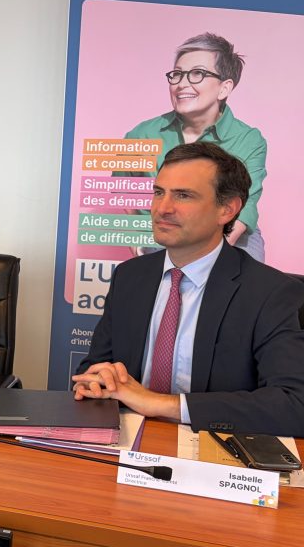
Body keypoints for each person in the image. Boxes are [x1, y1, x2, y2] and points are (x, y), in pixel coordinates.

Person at [73, 142, 304, 436]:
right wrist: (96, 380)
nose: (162, 208)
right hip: (126, 446)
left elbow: (294, 404)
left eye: (183, 195)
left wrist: (158, 404)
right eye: (159, 192)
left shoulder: (269, 292)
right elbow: (96, 365)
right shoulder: (130, 276)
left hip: (214, 453)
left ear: (227, 209)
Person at [123, 33, 267, 261]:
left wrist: (207, 258)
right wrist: (134, 239)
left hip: (227, 233)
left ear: (224, 88)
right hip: (166, 228)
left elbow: (245, 205)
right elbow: (124, 191)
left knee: (244, 281)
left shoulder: (249, 140)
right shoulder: (142, 134)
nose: (181, 84)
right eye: (177, 74)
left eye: (197, 74)